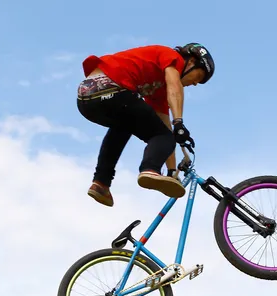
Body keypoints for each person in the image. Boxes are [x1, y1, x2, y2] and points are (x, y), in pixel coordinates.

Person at [76, 42, 215, 207]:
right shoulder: (172, 57)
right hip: (112, 86)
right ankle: (149, 169)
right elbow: (175, 86)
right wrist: (179, 122)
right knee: (160, 135)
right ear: (191, 62)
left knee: (124, 126)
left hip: (86, 97)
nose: (194, 84)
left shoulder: (158, 90)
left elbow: (165, 126)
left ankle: (101, 183)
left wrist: (171, 172)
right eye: (198, 78)